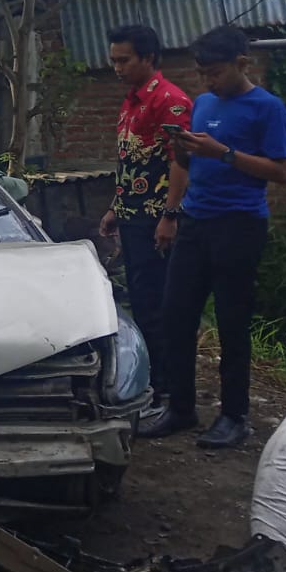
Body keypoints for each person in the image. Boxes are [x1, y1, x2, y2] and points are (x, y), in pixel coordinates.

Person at [139, 26, 286, 449]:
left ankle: (234, 415)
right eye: (202, 73)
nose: (208, 81)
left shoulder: (267, 108)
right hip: (195, 221)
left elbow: (281, 171)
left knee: (232, 320)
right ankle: (181, 408)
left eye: (216, 73)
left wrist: (223, 152)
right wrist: (183, 153)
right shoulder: (204, 103)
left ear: (242, 63)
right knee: (176, 314)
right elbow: (190, 163)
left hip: (239, 224)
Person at [97, 24, 190, 407]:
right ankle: (153, 382)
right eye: (114, 61)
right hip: (132, 218)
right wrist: (114, 207)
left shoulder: (170, 101)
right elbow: (132, 162)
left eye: (124, 60)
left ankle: (167, 389)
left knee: (157, 304)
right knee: (140, 299)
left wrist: (170, 215)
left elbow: (180, 162)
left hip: (156, 221)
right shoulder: (132, 101)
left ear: (148, 58)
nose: (117, 68)